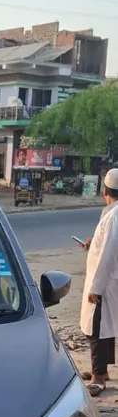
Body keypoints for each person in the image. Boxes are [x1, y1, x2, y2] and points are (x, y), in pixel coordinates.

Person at [80, 168, 118, 395]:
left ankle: (98, 377)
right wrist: (91, 243)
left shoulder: (114, 216)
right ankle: (102, 370)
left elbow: (107, 254)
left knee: (96, 328)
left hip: (105, 282)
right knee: (105, 327)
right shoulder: (111, 213)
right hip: (108, 281)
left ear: (105, 191)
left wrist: (96, 287)